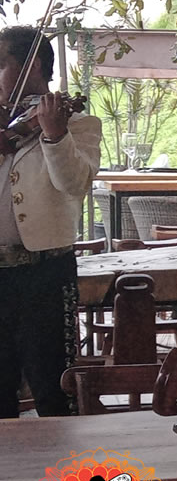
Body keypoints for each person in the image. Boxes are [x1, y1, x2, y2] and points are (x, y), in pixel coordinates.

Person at [0, 26, 101, 417]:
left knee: (53, 386)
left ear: (34, 66)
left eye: (2, 63)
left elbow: (75, 184)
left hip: (45, 273)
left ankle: (59, 477)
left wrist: (54, 135)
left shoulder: (78, 123)